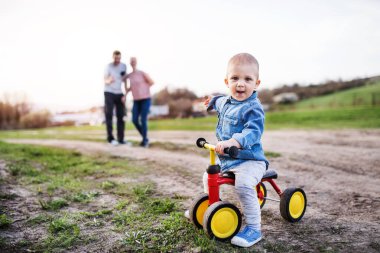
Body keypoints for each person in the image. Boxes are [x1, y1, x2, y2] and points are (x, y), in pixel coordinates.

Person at [187, 53, 269, 247]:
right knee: (208, 177)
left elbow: (253, 132)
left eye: (247, 79)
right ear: (227, 81)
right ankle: (212, 207)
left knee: (243, 185)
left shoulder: (253, 108)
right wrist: (211, 101)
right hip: (228, 160)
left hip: (250, 161)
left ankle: (254, 228)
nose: (241, 84)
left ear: (256, 83)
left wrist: (234, 141)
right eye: (235, 78)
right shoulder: (225, 101)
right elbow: (218, 100)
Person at [124, 57, 154, 148]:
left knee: (143, 119)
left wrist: (144, 88)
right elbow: (128, 86)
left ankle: (145, 141)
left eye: (134, 61)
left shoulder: (142, 73)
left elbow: (152, 82)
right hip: (136, 100)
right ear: (130, 63)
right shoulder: (129, 75)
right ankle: (145, 137)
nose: (133, 63)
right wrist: (125, 95)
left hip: (145, 99)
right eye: (131, 62)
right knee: (134, 120)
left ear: (136, 62)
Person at [104, 50, 128, 145]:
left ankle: (121, 139)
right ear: (112, 57)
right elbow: (105, 80)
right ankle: (111, 138)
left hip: (119, 92)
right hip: (109, 92)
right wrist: (109, 80)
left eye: (118, 58)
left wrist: (125, 95)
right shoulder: (108, 66)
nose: (117, 60)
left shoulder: (124, 66)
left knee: (121, 116)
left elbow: (125, 80)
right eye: (115, 58)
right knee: (109, 115)